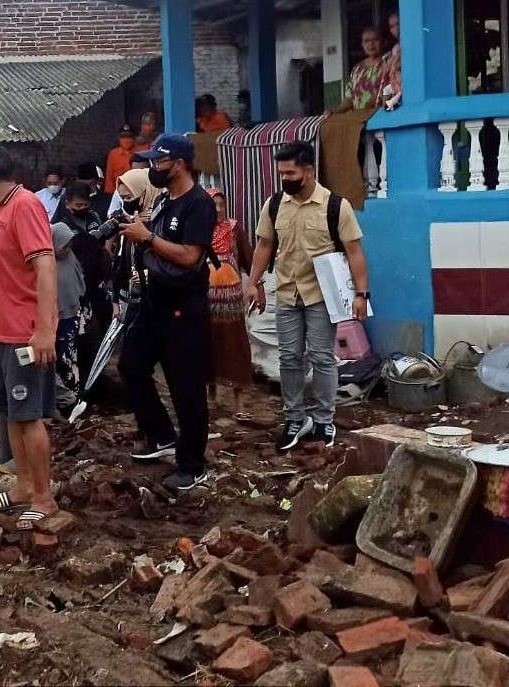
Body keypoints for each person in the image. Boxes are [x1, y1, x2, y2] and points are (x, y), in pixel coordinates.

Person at [245, 142, 369, 451]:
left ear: (309, 171)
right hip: (287, 292)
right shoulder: (274, 205)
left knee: (322, 357)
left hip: (321, 296)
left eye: (291, 172)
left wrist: (361, 294)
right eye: (281, 173)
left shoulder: (334, 206)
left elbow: (354, 253)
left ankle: (325, 420)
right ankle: (296, 419)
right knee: (289, 358)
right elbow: (264, 246)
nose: (285, 178)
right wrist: (254, 281)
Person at [118, 134, 217, 491]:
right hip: (154, 299)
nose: (151, 168)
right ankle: (161, 435)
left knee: (186, 387)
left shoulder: (199, 204)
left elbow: (191, 256)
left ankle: (192, 466)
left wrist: (146, 239)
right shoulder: (163, 200)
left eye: (157, 162)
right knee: (131, 365)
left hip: (184, 308)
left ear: (179, 163)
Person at [0, 144, 59, 529]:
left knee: (28, 417)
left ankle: (43, 496)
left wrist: (43, 330)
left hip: (25, 334)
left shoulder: (24, 206)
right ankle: (23, 485)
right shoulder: (0, 211)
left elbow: (45, 267)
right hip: (1, 334)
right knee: (8, 414)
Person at [52, 181, 111, 396]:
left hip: (95, 288)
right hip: (71, 295)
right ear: (67, 204)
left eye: (86, 204)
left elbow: (103, 246)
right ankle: (73, 390)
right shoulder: (61, 226)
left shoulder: (94, 218)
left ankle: (93, 382)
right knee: (72, 343)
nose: (82, 208)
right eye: (78, 205)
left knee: (94, 338)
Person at [206, 188, 255, 412]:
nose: (218, 209)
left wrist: (257, 285)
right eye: (213, 205)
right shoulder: (199, 230)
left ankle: (239, 399)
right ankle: (211, 394)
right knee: (208, 342)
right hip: (205, 296)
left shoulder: (235, 228)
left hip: (232, 298)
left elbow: (248, 260)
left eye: (221, 204)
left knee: (235, 344)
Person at [51, 221, 86, 412]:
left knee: (69, 359)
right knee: (55, 360)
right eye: (63, 245)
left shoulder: (69, 258)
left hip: (72, 316)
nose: (67, 249)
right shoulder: (46, 263)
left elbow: (78, 285)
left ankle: (73, 400)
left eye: (69, 244)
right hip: (54, 318)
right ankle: (61, 401)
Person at [338, 26, 387, 112]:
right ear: (362, 44)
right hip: (359, 119)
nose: (371, 44)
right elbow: (349, 98)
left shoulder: (389, 64)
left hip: (380, 116)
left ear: (383, 42)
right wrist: (335, 112)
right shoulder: (357, 69)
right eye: (366, 41)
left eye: (375, 40)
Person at [104, 124, 138, 194]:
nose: (126, 140)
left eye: (129, 137)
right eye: (123, 137)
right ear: (119, 138)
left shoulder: (140, 153)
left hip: (136, 193)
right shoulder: (113, 154)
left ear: (134, 138)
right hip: (117, 194)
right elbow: (109, 176)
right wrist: (110, 194)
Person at [383, 12, 402, 110]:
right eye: (391, 26)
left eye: (398, 23)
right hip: (395, 81)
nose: (396, 28)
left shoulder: (410, 42)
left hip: (404, 82)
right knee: (386, 90)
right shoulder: (395, 48)